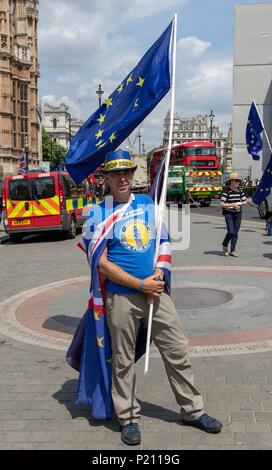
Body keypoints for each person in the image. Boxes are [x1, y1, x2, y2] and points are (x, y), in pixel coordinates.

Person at [68, 150, 222, 446]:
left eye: (127, 172)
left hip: (156, 292)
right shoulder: (96, 214)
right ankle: (127, 417)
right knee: (123, 360)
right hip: (122, 298)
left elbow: (163, 241)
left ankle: (193, 410)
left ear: (133, 175)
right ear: (107, 179)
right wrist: (140, 284)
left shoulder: (149, 204)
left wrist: (159, 276)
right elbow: (100, 264)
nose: (123, 178)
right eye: (116, 173)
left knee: (178, 349)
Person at [220, 172, 249, 257]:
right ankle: (225, 245)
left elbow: (245, 201)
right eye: (235, 181)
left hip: (238, 214)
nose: (237, 182)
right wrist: (232, 205)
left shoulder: (240, 192)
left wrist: (239, 204)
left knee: (235, 232)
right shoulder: (226, 192)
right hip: (229, 214)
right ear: (231, 181)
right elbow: (222, 204)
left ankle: (232, 250)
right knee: (231, 232)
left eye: (238, 181)